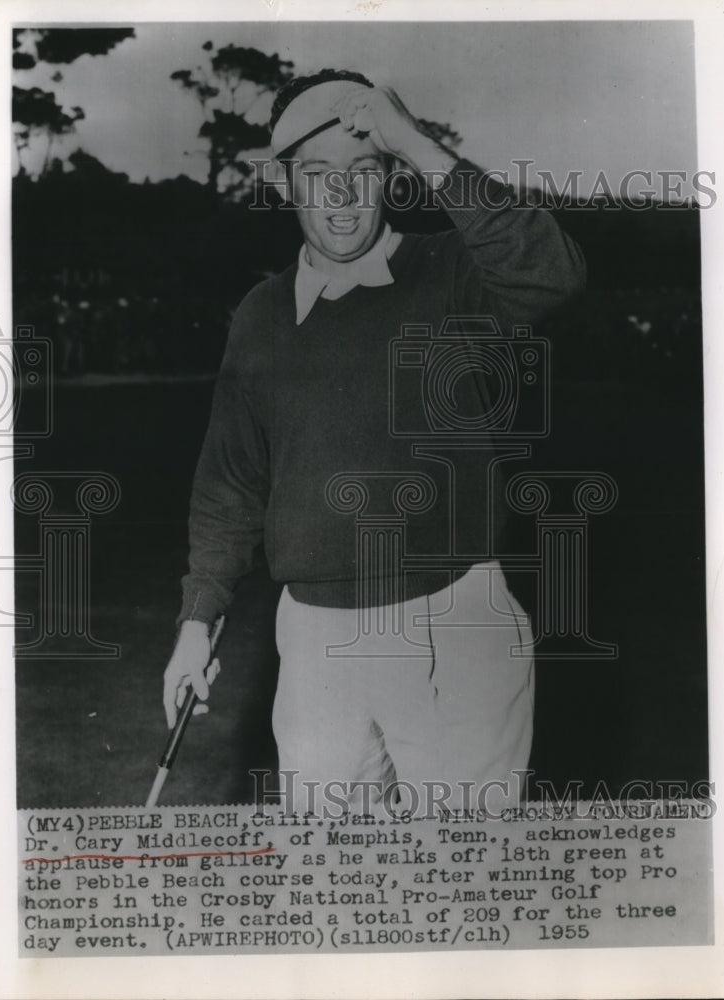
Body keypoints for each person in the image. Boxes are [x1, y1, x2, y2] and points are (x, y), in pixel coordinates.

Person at [162, 70, 586, 816]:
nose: (341, 196)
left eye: (363, 171)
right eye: (318, 175)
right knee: (331, 889)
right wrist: (197, 625)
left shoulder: (449, 271)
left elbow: (551, 274)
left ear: (393, 176)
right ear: (286, 183)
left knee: (466, 883)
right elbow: (230, 486)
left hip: (457, 618)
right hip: (317, 631)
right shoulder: (261, 315)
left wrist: (418, 143)